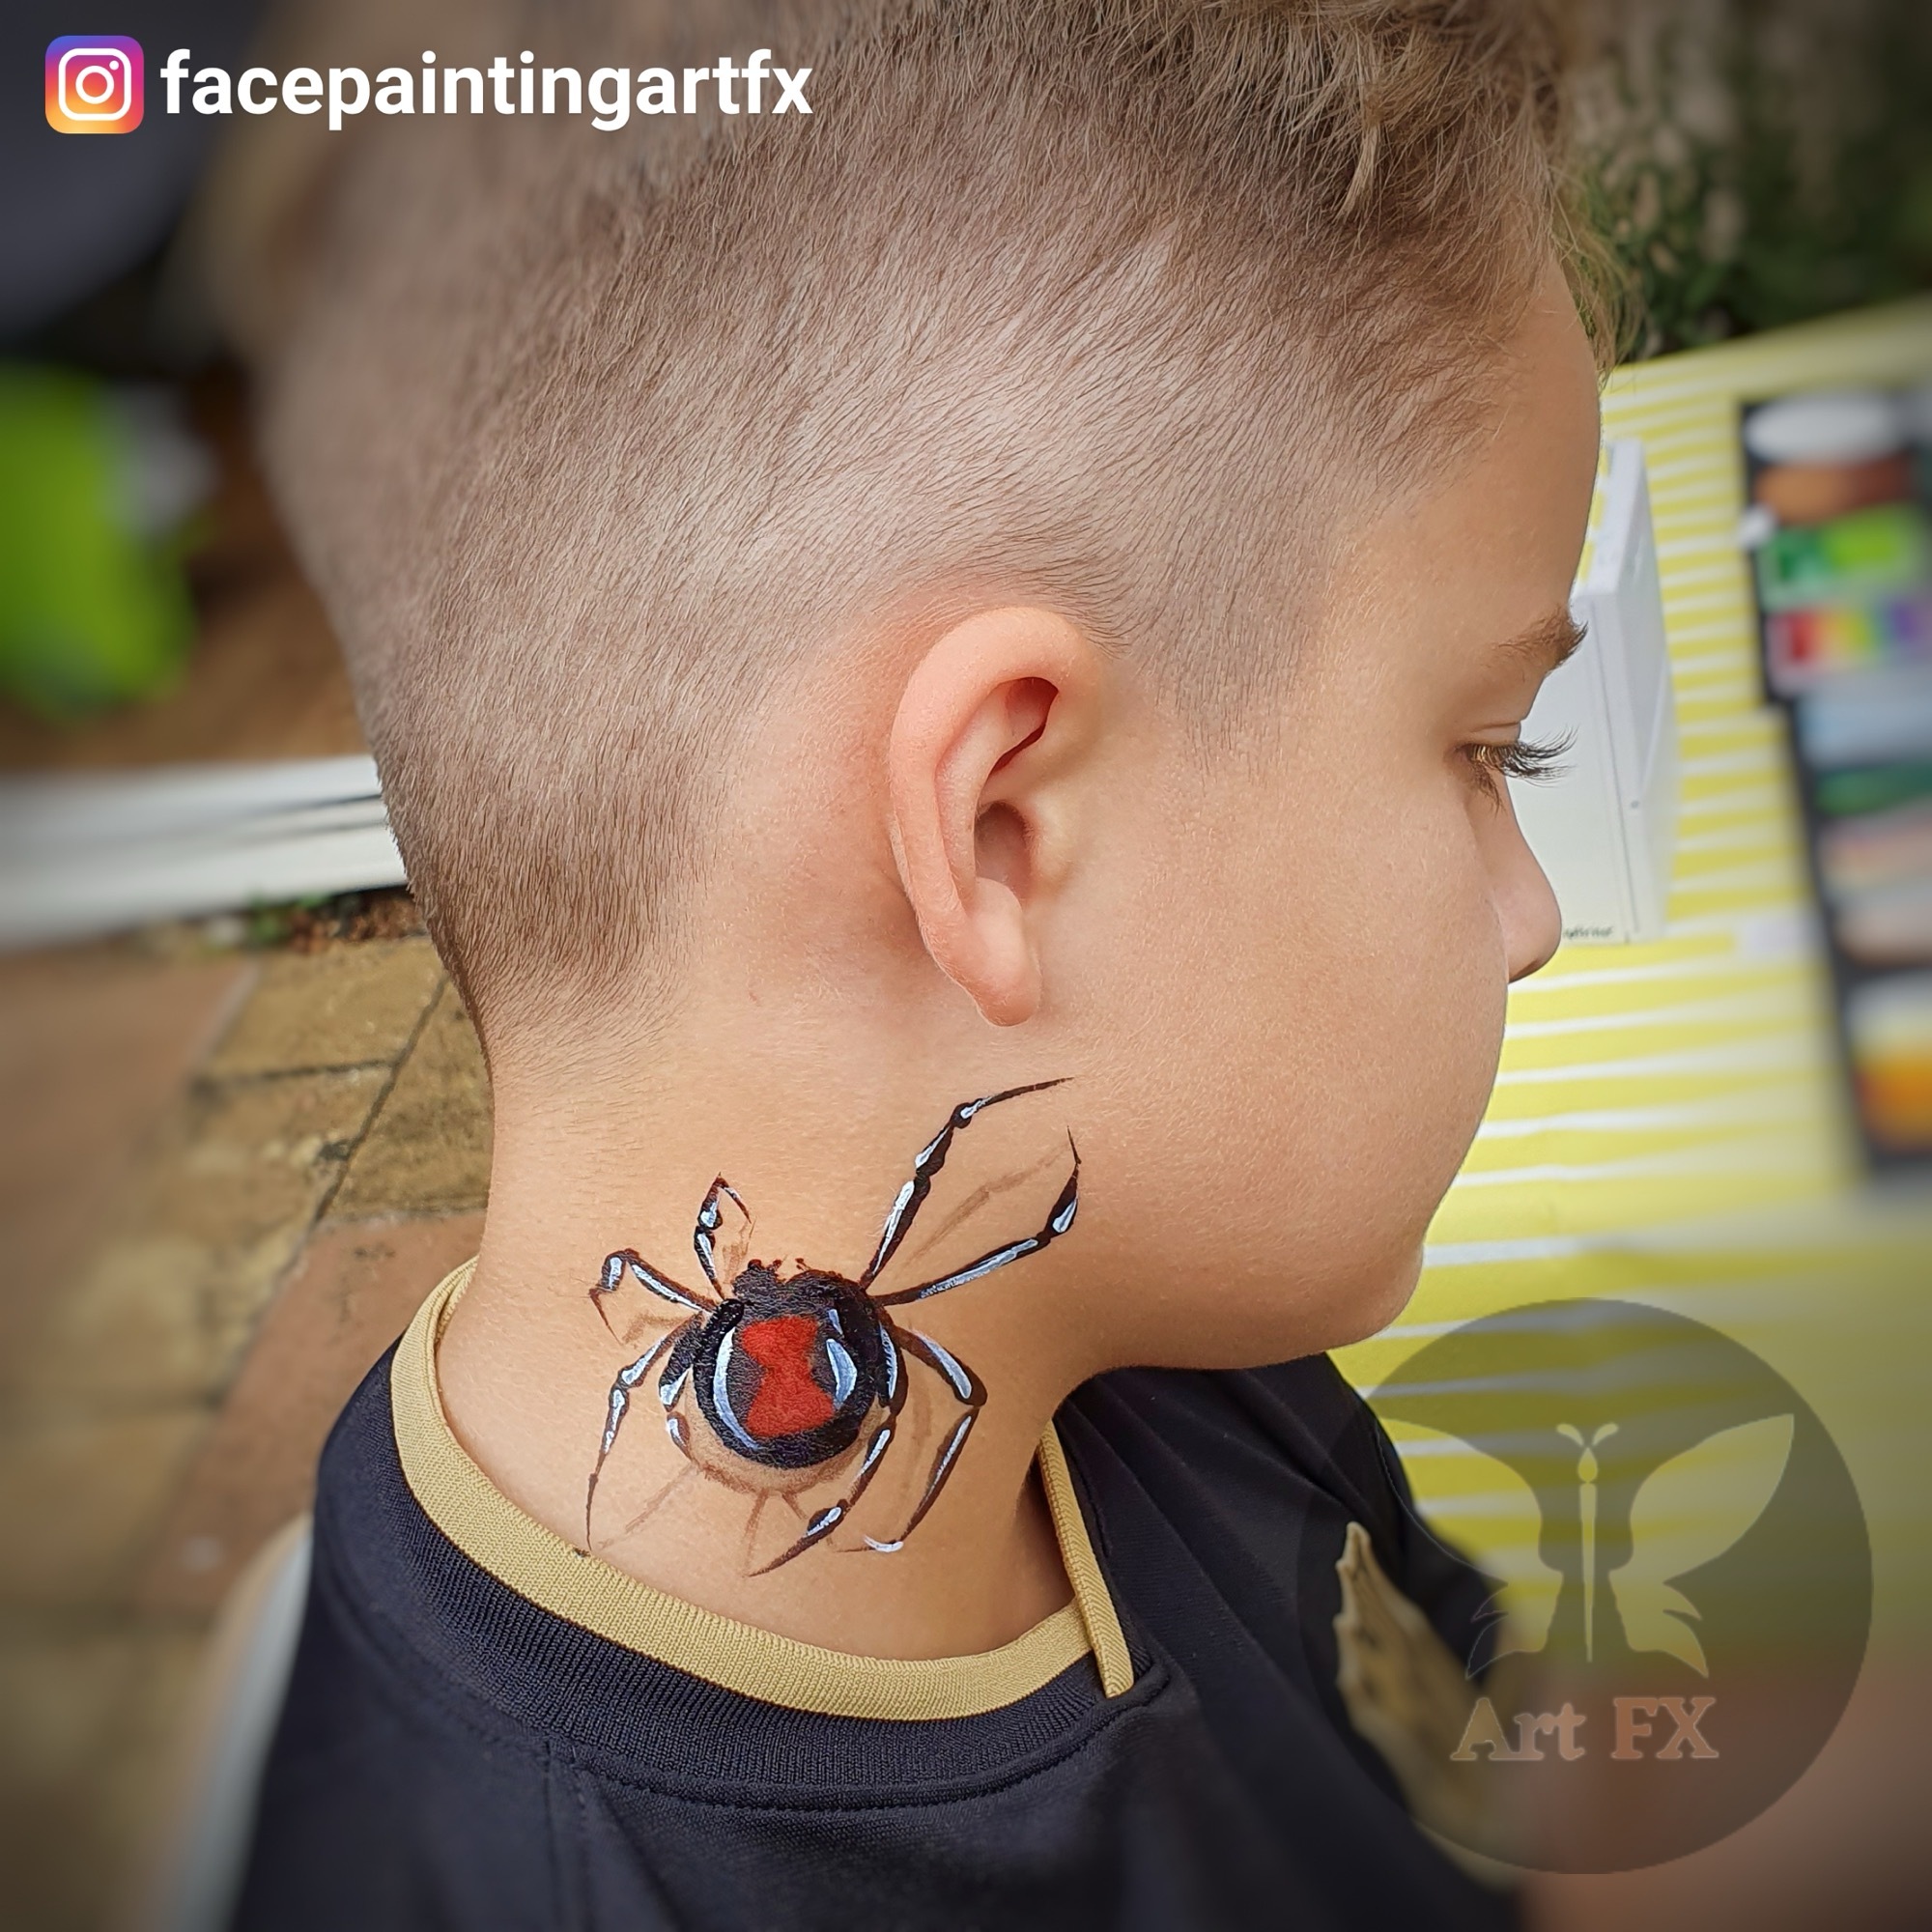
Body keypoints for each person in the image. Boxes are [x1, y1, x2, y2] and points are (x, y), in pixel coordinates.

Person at [224, 0, 1611, 1923]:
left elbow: (1490, 1770)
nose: (1533, 914)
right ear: (1000, 827)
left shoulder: (1150, 1313)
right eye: (1484, 753)